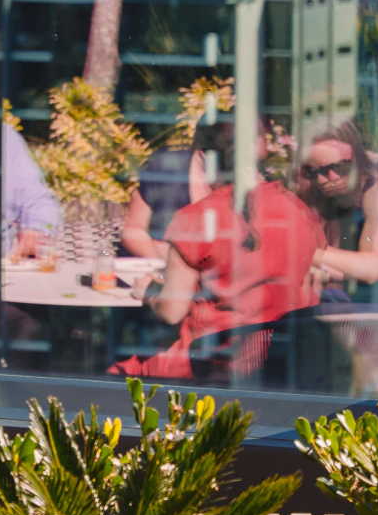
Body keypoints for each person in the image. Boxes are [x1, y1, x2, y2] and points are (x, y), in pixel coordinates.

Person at [115, 122, 350, 391]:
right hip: (282, 366)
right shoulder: (298, 211)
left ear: (208, 160)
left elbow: (171, 312)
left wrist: (150, 291)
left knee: (109, 376)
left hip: (212, 365)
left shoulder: (195, 219)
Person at [296, 120, 378, 288]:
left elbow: (375, 269)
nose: (329, 179)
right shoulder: (314, 195)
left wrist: (306, 252)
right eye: (315, 171)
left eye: (340, 168)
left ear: (358, 160)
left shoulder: (377, 195)